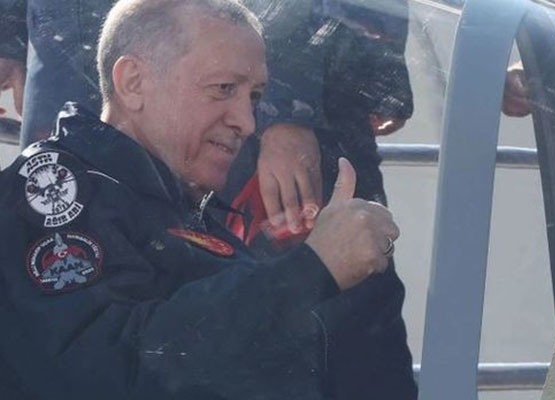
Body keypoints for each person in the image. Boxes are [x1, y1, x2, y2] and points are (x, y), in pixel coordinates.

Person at [0, 1, 416, 399]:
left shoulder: (181, 209)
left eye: (254, 97)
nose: (247, 122)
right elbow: (104, 373)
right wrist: (312, 270)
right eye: (223, 88)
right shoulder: (52, 192)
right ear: (133, 83)